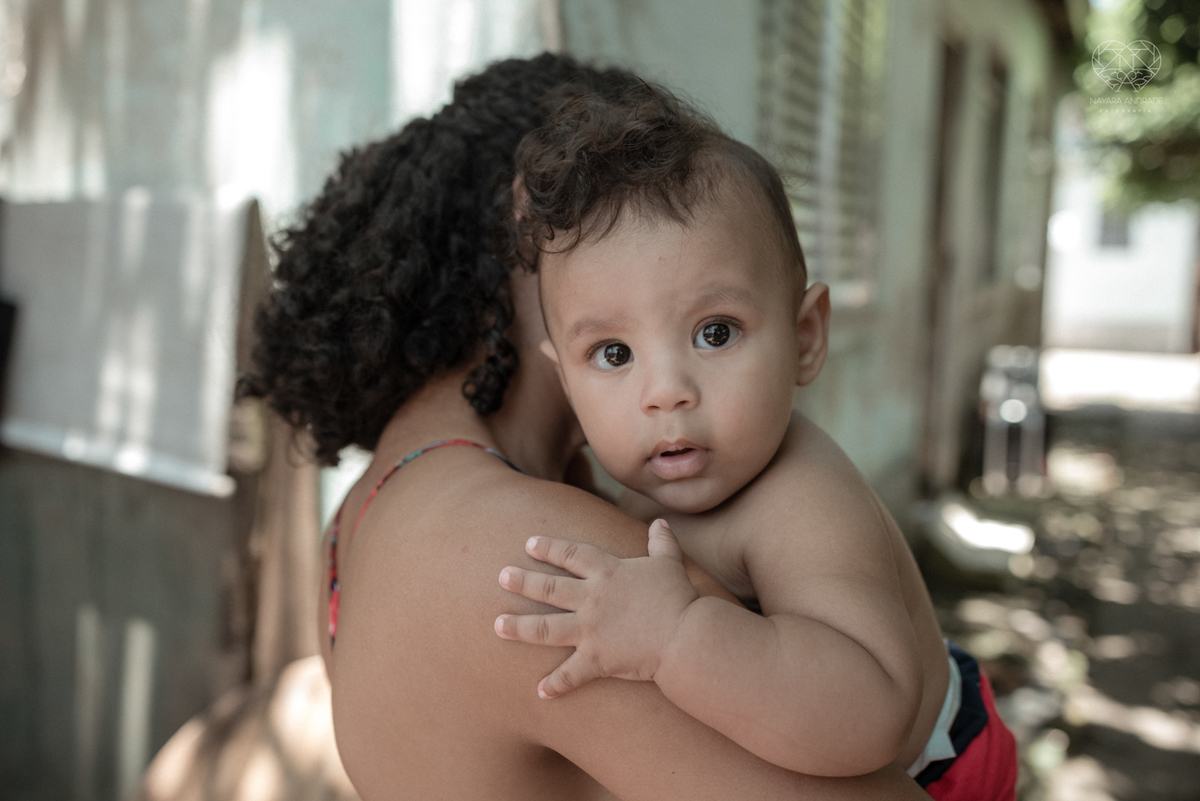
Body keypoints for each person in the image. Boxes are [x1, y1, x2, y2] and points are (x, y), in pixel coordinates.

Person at [243, 53, 931, 799]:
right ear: (528, 227)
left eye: (715, 332)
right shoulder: (537, 557)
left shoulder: (356, 522)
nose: (666, 391)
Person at [494, 83, 1018, 799]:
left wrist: (677, 635)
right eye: (613, 354)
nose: (666, 391)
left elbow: (872, 716)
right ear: (566, 382)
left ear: (805, 337)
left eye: (716, 333)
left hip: (942, 772)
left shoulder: (799, 501)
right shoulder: (632, 477)